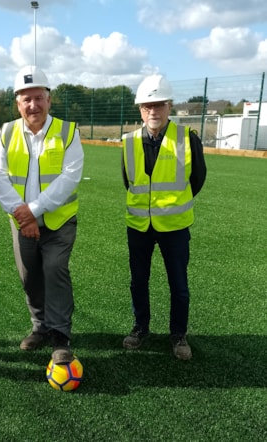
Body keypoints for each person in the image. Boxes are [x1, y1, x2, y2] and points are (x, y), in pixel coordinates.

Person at [0, 66, 84, 364]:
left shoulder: (69, 132)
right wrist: (23, 218)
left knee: (55, 269)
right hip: (21, 224)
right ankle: (39, 326)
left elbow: (69, 178)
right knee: (28, 276)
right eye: (26, 99)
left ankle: (60, 336)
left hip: (58, 222)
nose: (33, 105)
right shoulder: (6, 133)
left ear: (49, 99)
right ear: (17, 103)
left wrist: (31, 211)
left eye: (38, 98)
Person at [121, 74, 207, 360]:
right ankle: (140, 327)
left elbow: (197, 179)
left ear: (170, 107)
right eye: (147, 106)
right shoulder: (129, 141)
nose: (153, 112)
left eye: (158, 105)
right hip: (138, 226)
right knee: (138, 281)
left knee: (179, 285)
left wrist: (171, 205)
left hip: (174, 227)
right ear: (140, 110)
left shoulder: (187, 139)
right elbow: (128, 181)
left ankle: (178, 334)